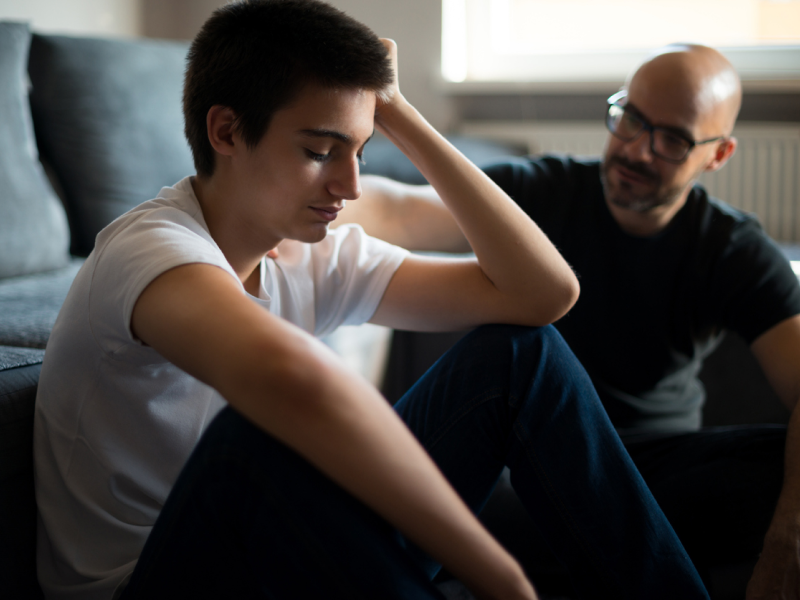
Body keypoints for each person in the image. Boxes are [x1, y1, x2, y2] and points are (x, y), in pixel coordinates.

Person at [32, 2, 712, 599]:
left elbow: (544, 294)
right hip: (156, 579)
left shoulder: (312, 252)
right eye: (322, 151)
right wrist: (499, 577)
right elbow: (297, 383)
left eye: (359, 150)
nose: (351, 186)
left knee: (519, 354)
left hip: (281, 547)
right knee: (257, 441)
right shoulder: (152, 253)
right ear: (227, 132)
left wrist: (403, 115)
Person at [340, 44, 800, 599]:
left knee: (784, 466)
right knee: (517, 356)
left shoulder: (731, 249)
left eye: (672, 139)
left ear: (718, 154)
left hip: (654, 477)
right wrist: (290, 199)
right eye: (631, 118)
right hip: (527, 472)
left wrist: (784, 542)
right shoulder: (548, 191)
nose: (636, 150)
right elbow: (400, 209)